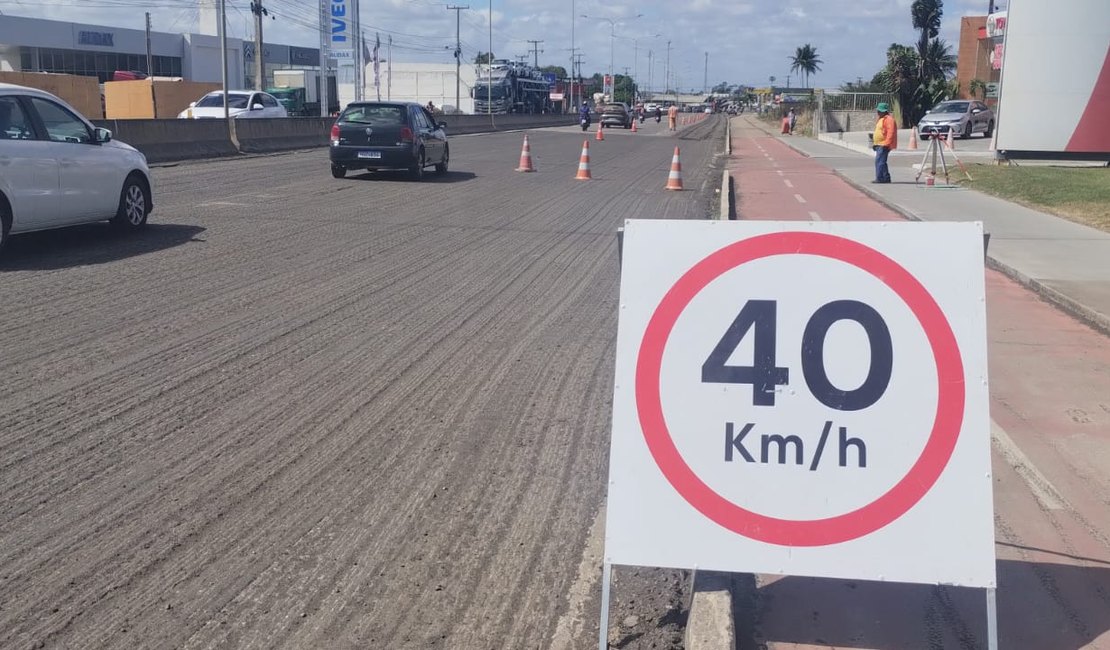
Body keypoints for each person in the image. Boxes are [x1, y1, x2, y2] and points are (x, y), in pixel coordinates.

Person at [872, 102, 898, 184]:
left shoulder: (889, 120)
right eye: (878, 111)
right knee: (882, 161)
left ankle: (880, 178)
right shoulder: (881, 119)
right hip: (879, 144)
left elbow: (891, 132)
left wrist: (886, 143)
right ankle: (886, 177)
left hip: (884, 144)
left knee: (879, 161)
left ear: (884, 111)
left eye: (880, 111)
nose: (878, 112)